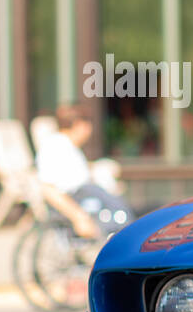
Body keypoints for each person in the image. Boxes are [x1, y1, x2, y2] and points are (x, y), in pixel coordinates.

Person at [36, 101, 135, 236]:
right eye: (88, 125)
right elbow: (48, 189)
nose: (90, 130)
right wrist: (79, 217)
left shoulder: (67, 146)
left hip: (89, 197)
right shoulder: (56, 148)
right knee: (124, 219)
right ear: (79, 125)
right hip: (81, 203)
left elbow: (74, 173)